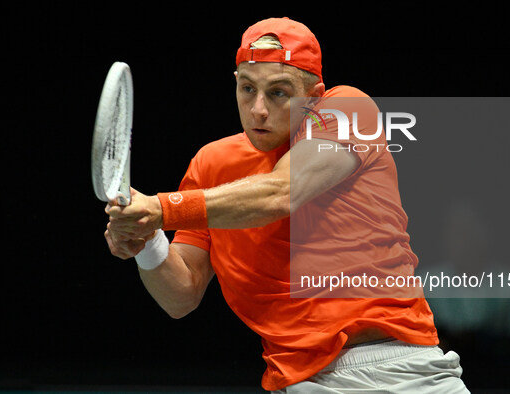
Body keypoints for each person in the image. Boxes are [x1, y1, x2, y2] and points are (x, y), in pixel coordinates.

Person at [104, 17, 469, 393]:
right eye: (247, 88)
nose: (258, 109)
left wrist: (160, 209)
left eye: (279, 93)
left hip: (397, 370)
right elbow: (182, 295)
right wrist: (147, 241)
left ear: (314, 96)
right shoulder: (210, 164)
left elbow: (281, 193)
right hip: (296, 382)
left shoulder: (349, 109)